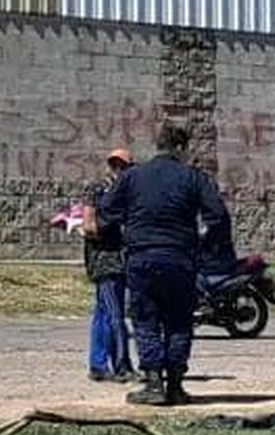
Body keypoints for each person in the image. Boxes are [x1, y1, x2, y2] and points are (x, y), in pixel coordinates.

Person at [98, 123, 231, 407]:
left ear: (157, 145)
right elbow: (218, 216)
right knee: (179, 321)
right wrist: (206, 248)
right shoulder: (194, 177)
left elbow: (106, 212)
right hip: (180, 259)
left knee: (145, 320)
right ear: (181, 148)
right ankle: (176, 385)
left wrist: (127, 229)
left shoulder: (133, 176)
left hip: (142, 258)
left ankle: (154, 383)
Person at [81, 148, 136, 382]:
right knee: (115, 315)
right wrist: (111, 225)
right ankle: (122, 366)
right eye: (115, 165)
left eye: (122, 165)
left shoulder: (127, 192)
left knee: (103, 313)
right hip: (106, 260)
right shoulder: (99, 190)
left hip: (121, 259)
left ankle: (98, 365)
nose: (118, 169)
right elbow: (89, 226)